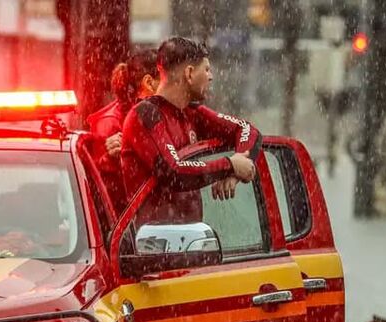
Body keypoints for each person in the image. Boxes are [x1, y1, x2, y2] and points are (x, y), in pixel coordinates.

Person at [120, 37, 261, 218]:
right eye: (207, 70)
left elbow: (247, 129)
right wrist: (229, 165)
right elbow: (172, 172)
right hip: (152, 240)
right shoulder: (146, 114)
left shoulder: (191, 112)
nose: (211, 77)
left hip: (191, 238)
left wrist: (236, 170)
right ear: (189, 73)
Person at [86, 49, 159, 210]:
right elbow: (97, 188)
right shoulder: (110, 123)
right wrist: (108, 159)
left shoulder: (154, 114)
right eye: (167, 79)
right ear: (149, 83)